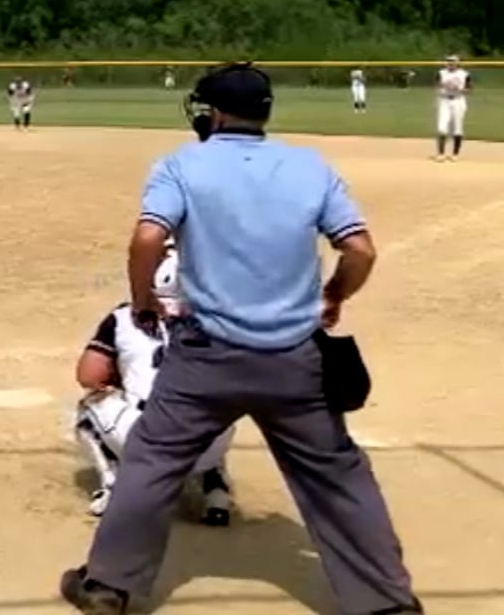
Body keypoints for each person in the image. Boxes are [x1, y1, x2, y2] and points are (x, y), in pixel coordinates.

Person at [60, 62, 420, 615]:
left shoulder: (182, 164)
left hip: (205, 358)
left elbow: (147, 239)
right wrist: (334, 294)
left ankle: (108, 585)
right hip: (295, 360)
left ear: (215, 113)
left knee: (153, 461)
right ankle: (386, 603)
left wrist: (142, 299)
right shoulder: (309, 166)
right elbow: (360, 250)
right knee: (337, 475)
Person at [73, 239, 235, 525]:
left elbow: (89, 376)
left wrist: (123, 374)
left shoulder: (124, 316)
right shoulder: (223, 319)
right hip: (208, 442)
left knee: (89, 407)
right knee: (219, 404)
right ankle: (216, 492)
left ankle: (114, 486)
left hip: (144, 438)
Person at [434, 55, 471, 162]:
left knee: (457, 128)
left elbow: (469, 89)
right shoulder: (441, 73)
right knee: (442, 127)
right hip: (444, 101)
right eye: (449, 61)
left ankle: (455, 154)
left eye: (453, 61)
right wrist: (442, 88)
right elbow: (437, 86)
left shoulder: (464, 74)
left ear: (457, 63)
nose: (450, 63)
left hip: (458, 101)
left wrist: (461, 89)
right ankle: (441, 154)